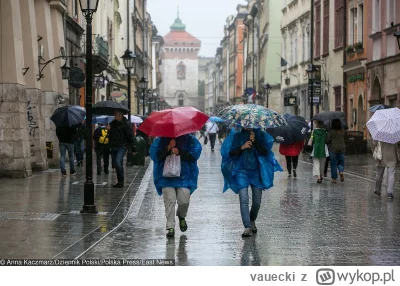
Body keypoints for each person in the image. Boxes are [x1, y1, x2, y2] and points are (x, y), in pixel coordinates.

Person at [221, 128, 282, 237]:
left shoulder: (261, 135)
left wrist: (255, 142)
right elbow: (230, 153)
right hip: (241, 171)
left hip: (256, 172)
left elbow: (266, 152)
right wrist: (242, 147)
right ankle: (247, 226)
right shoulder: (237, 136)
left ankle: (252, 219)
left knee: (257, 201)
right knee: (243, 198)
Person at [150, 134, 202, 238]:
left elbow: (194, 155)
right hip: (165, 177)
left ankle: (181, 216)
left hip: (184, 176)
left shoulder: (190, 139)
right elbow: (155, 156)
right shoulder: (161, 140)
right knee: (170, 199)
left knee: (184, 200)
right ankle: (170, 227)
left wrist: (180, 152)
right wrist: (168, 148)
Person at [107, 111, 136, 188]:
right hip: (114, 145)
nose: (114, 116)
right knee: (116, 164)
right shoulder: (113, 123)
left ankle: (121, 182)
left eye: (115, 114)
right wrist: (108, 130)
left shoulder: (126, 123)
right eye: (114, 114)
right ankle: (119, 181)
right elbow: (110, 134)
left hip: (122, 146)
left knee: (118, 161)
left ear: (120, 115)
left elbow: (130, 135)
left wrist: (133, 147)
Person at [326, 119, 346, 183]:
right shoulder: (342, 130)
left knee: (333, 164)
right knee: (341, 162)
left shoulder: (331, 131)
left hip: (333, 149)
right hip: (342, 148)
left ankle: (334, 179)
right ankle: (341, 171)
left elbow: (327, 140)